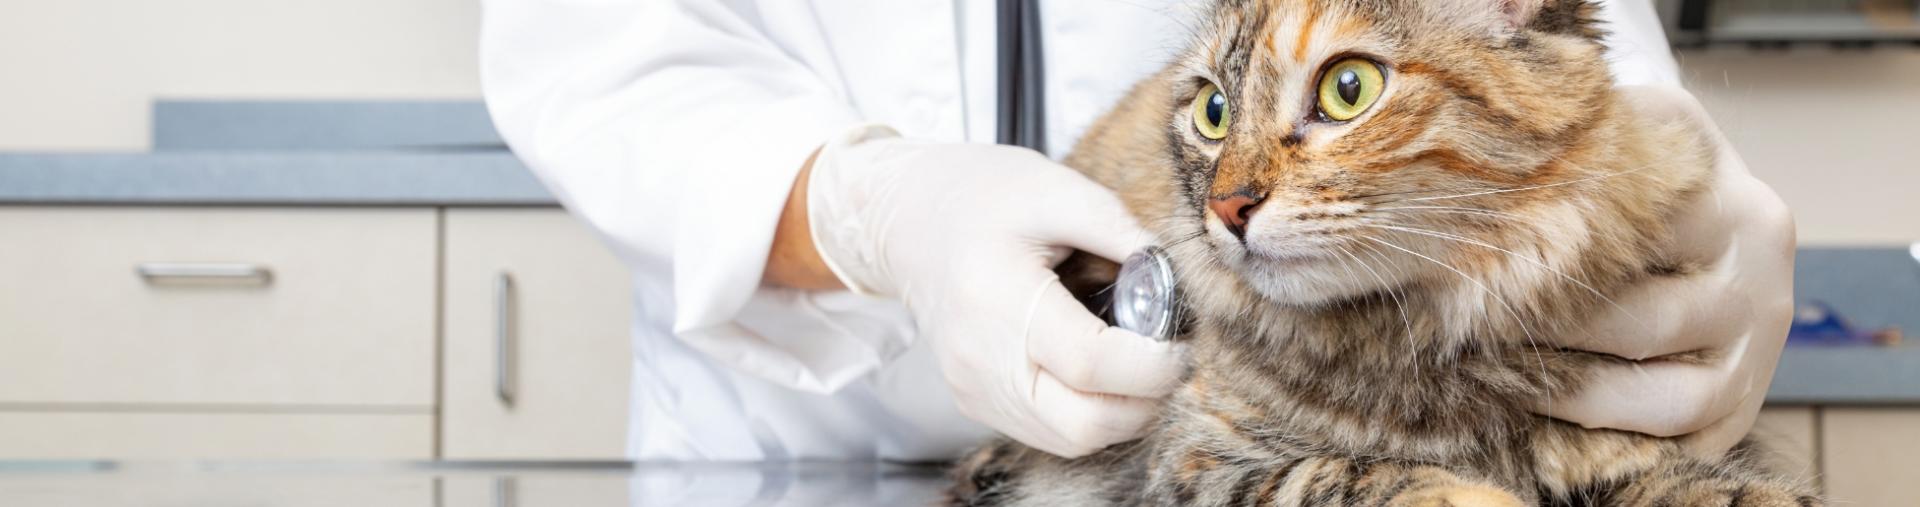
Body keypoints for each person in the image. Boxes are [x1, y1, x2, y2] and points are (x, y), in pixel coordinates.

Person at [478, 0, 1796, 462]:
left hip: (1305, 428)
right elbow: (604, 57)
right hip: (794, 455)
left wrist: (1649, 164)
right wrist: (872, 213)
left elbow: (1512, 29)